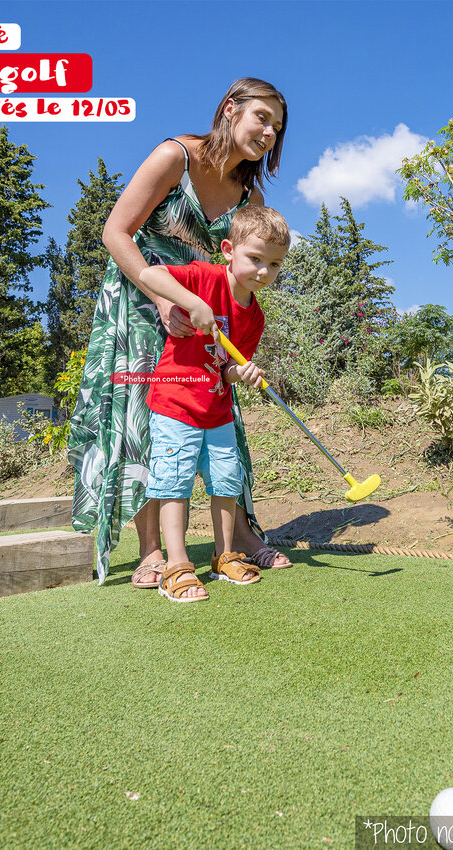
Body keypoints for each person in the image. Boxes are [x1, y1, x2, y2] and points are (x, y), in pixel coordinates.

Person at [68, 77, 291, 587]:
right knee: (142, 419)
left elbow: (243, 258)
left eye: (277, 127)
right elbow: (115, 232)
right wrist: (163, 299)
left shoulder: (248, 191)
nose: (269, 133)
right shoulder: (176, 156)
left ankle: (238, 537)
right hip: (144, 293)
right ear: (231, 109)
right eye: (263, 117)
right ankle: (151, 549)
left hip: (205, 311)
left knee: (218, 412)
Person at [136, 205, 289, 601]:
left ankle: (225, 556)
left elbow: (224, 371)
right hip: (175, 403)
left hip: (217, 410)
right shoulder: (204, 278)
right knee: (174, 482)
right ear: (228, 250)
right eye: (255, 258)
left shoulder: (254, 318)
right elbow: (148, 274)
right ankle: (176, 565)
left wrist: (242, 374)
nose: (263, 271)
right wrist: (193, 302)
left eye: (274, 265)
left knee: (225, 482)